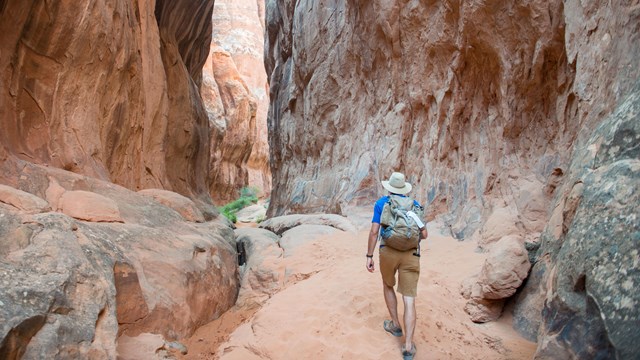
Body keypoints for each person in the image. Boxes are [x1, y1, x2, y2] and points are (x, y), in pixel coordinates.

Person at [366, 172, 428, 360]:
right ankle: (408, 347)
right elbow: (424, 235)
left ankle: (395, 324)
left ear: (389, 188)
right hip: (411, 255)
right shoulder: (415, 205)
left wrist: (369, 255)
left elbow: (374, 232)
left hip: (388, 252)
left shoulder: (382, 203)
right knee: (409, 299)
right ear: (404, 189)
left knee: (388, 285)